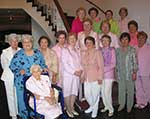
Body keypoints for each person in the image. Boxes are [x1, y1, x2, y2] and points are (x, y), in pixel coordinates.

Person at [9, 34, 47, 119]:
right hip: (22, 82)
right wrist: (19, 70)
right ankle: (24, 116)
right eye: (24, 42)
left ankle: (34, 113)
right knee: (23, 100)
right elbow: (12, 66)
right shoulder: (18, 55)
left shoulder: (37, 53)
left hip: (35, 81)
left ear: (32, 42)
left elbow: (43, 63)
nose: (27, 44)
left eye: (29, 41)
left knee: (35, 98)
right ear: (22, 44)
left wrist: (44, 68)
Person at [81, 36, 104, 118]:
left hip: (95, 77)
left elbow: (101, 66)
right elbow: (83, 66)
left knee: (95, 95)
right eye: (86, 43)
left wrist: (100, 77)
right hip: (86, 78)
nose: (88, 44)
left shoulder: (97, 52)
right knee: (87, 95)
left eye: (90, 42)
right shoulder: (84, 53)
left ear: (94, 44)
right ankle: (92, 106)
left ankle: (94, 110)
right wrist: (83, 76)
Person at [61, 32, 83, 118]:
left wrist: (81, 70)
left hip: (76, 75)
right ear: (68, 40)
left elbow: (80, 62)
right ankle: (68, 109)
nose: (73, 40)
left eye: (74, 38)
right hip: (68, 75)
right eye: (71, 39)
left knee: (74, 92)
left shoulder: (77, 50)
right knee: (67, 92)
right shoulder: (65, 50)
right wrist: (74, 72)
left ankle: (72, 107)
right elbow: (65, 64)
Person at [116, 32, 138, 113]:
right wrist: (116, 73)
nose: (124, 41)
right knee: (121, 90)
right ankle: (121, 105)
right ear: (120, 40)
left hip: (130, 73)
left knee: (130, 91)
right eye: (122, 39)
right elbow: (116, 63)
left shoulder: (132, 50)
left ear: (129, 40)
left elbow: (135, 62)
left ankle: (129, 106)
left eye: (126, 39)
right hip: (120, 74)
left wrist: (134, 73)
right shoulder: (117, 50)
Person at [1, 33, 21, 119]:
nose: (14, 43)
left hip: (19, 76)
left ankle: (18, 111)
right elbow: (4, 65)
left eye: (16, 41)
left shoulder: (21, 50)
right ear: (9, 42)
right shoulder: (5, 52)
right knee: (10, 95)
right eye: (12, 41)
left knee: (18, 94)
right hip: (9, 76)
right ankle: (13, 114)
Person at [100, 35, 116, 117]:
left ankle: (111, 109)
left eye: (106, 40)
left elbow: (113, 64)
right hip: (101, 75)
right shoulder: (100, 50)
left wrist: (103, 69)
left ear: (109, 42)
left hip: (109, 75)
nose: (105, 42)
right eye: (103, 40)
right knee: (102, 92)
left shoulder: (112, 50)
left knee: (107, 92)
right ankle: (106, 106)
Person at [135, 31, 150, 109]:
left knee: (146, 87)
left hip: (146, 72)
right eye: (139, 38)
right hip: (137, 71)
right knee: (138, 87)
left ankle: (146, 101)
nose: (140, 39)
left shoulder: (148, 48)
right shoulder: (135, 47)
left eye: (142, 38)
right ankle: (139, 101)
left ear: (145, 39)